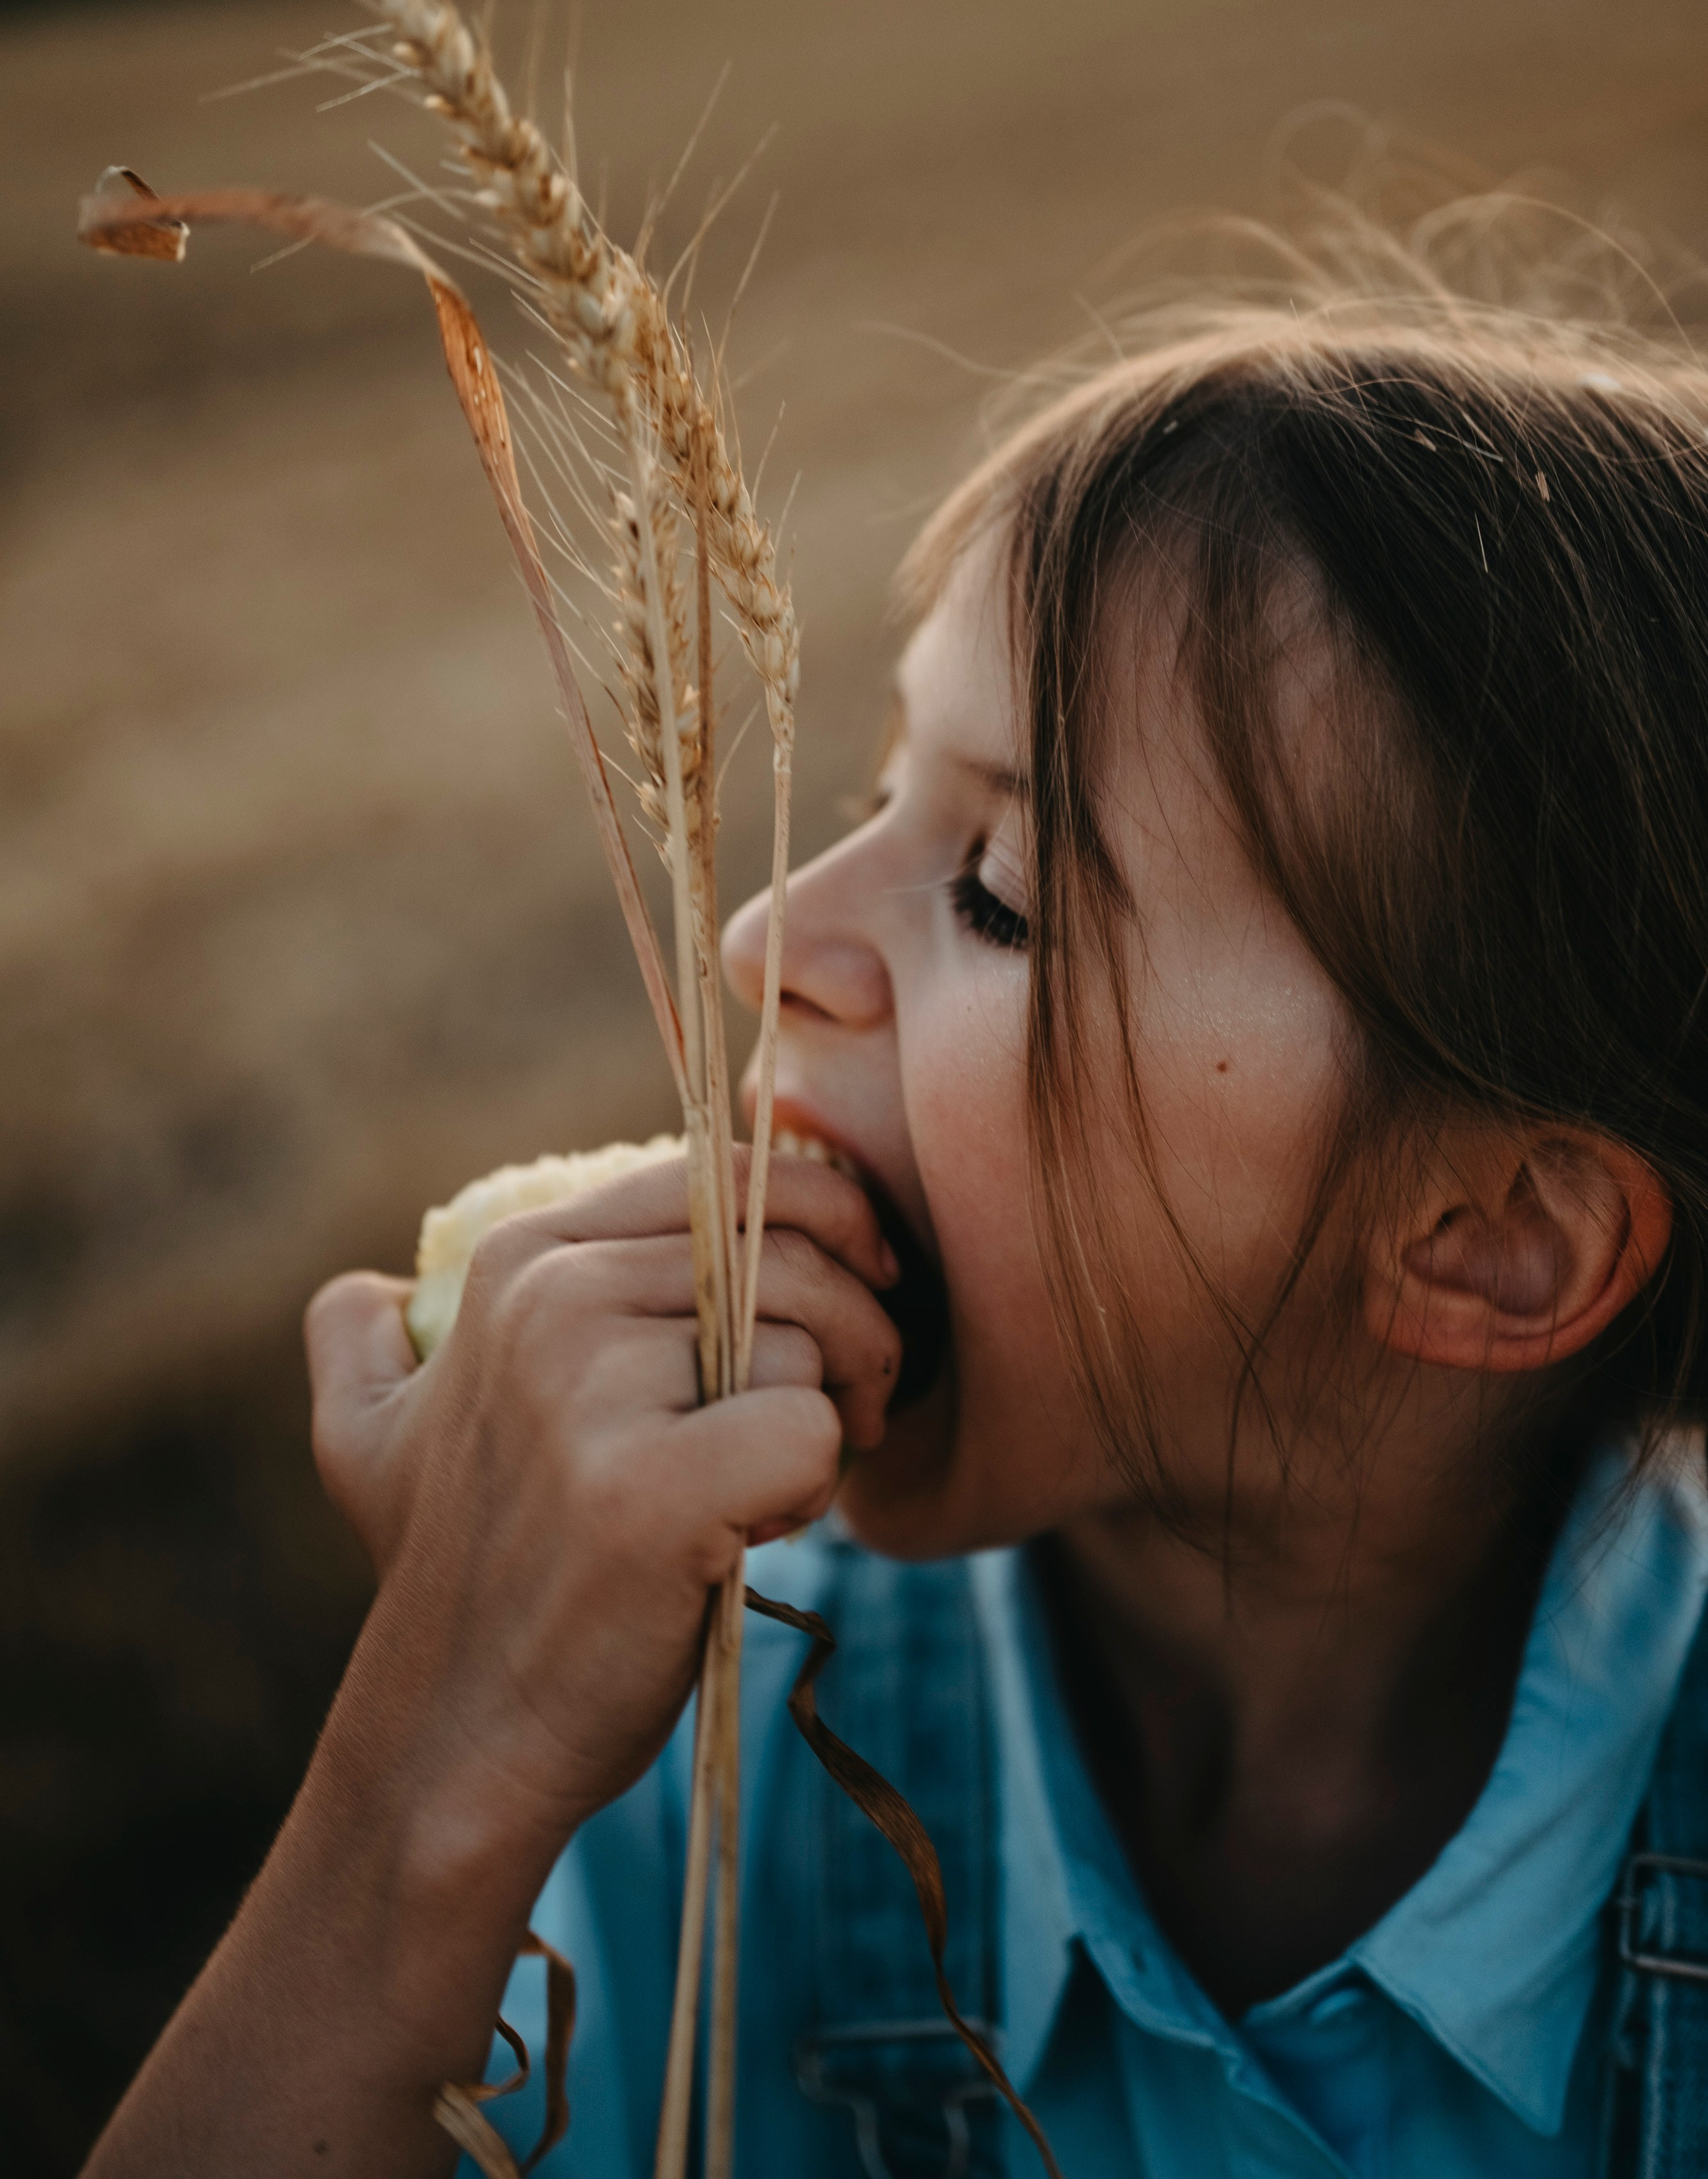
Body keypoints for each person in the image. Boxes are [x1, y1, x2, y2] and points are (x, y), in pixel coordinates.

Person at [83, 207, 1708, 2178]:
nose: (772, 936)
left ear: (1492, 1239)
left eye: (999, 894)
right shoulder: (675, 1732)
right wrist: (426, 1781)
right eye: (881, 800)